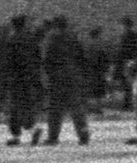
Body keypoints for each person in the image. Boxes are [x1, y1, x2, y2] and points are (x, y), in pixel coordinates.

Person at [41, 16, 90, 145]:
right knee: (76, 106)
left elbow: (46, 58)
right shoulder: (73, 37)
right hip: (72, 74)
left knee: (55, 108)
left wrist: (47, 74)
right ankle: (83, 132)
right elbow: (81, 56)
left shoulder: (50, 37)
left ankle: (53, 136)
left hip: (57, 76)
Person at [6, 15, 44, 146]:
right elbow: (38, 56)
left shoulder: (12, 39)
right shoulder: (31, 38)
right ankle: (32, 128)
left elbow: (8, 60)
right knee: (27, 104)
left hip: (16, 77)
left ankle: (17, 135)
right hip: (30, 76)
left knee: (15, 107)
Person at [115, 17, 137, 112]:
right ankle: (128, 103)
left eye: (123, 25)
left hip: (129, 61)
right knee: (127, 84)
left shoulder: (131, 35)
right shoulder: (127, 35)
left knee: (129, 83)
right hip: (126, 61)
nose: (122, 27)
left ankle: (130, 104)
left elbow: (132, 50)